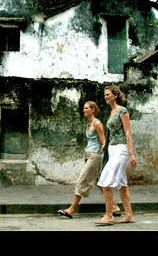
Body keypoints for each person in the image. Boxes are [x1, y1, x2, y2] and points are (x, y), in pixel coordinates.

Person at [57, 101, 121, 219]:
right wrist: (86, 161)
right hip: (89, 155)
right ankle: (114, 207)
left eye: (86, 108)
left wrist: (107, 154)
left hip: (95, 156)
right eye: (83, 108)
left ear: (93, 110)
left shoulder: (97, 123)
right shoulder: (89, 124)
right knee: (100, 183)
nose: (84, 110)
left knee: (81, 181)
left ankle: (71, 210)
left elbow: (104, 141)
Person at [96, 85, 137, 225]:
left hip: (122, 149)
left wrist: (131, 154)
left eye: (108, 94)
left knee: (105, 179)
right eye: (105, 95)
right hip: (112, 148)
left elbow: (127, 132)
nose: (105, 97)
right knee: (121, 183)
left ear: (115, 95)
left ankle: (109, 215)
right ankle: (129, 215)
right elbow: (112, 133)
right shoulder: (112, 112)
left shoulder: (122, 111)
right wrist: (105, 145)